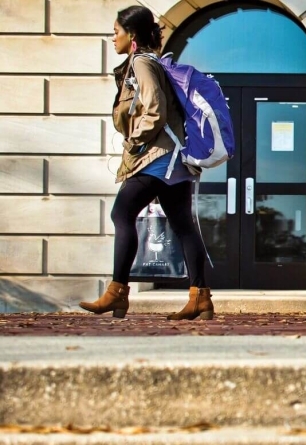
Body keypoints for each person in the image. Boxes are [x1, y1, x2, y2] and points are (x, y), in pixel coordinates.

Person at [79, 5, 213, 321]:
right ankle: (200, 298)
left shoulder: (141, 62)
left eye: (116, 32)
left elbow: (154, 109)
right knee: (182, 223)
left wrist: (135, 141)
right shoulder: (145, 63)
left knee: (121, 213)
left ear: (132, 35)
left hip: (158, 156)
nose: (113, 38)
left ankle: (117, 293)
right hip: (173, 157)